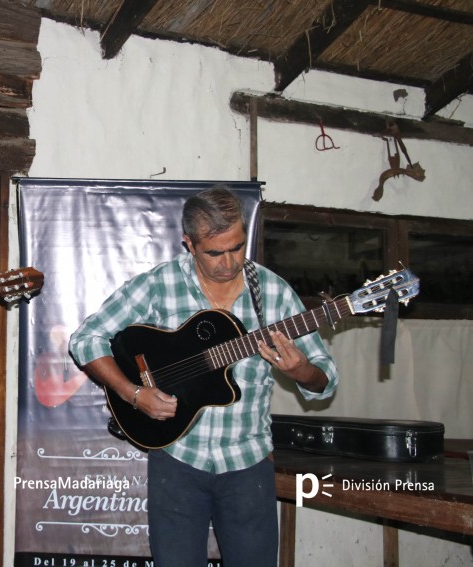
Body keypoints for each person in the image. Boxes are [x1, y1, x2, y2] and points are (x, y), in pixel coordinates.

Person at [68, 186, 338, 567]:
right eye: (215, 252)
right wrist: (132, 394)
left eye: (238, 247)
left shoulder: (275, 294)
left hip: (248, 464)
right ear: (189, 244)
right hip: (177, 462)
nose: (229, 262)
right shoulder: (160, 285)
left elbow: (324, 379)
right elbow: (85, 339)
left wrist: (301, 371)